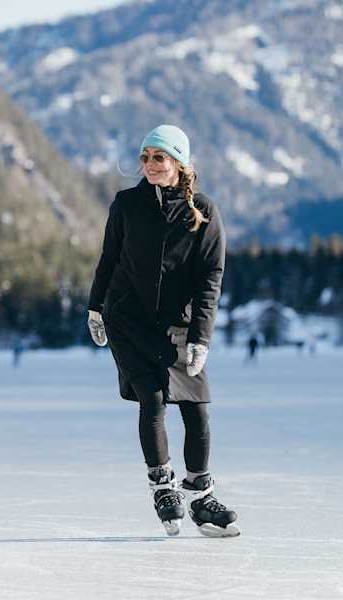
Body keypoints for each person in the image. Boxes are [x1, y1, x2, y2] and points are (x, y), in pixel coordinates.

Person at [86, 125, 239, 538]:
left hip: (180, 324)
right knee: (152, 399)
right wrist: (95, 308)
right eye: (144, 157)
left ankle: (201, 495)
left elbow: (211, 279)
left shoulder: (203, 213)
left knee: (197, 407)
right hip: (128, 321)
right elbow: (109, 259)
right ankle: (162, 487)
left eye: (159, 157)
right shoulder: (127, 205)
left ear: (180, 163)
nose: (149, 165)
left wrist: (201, 337)